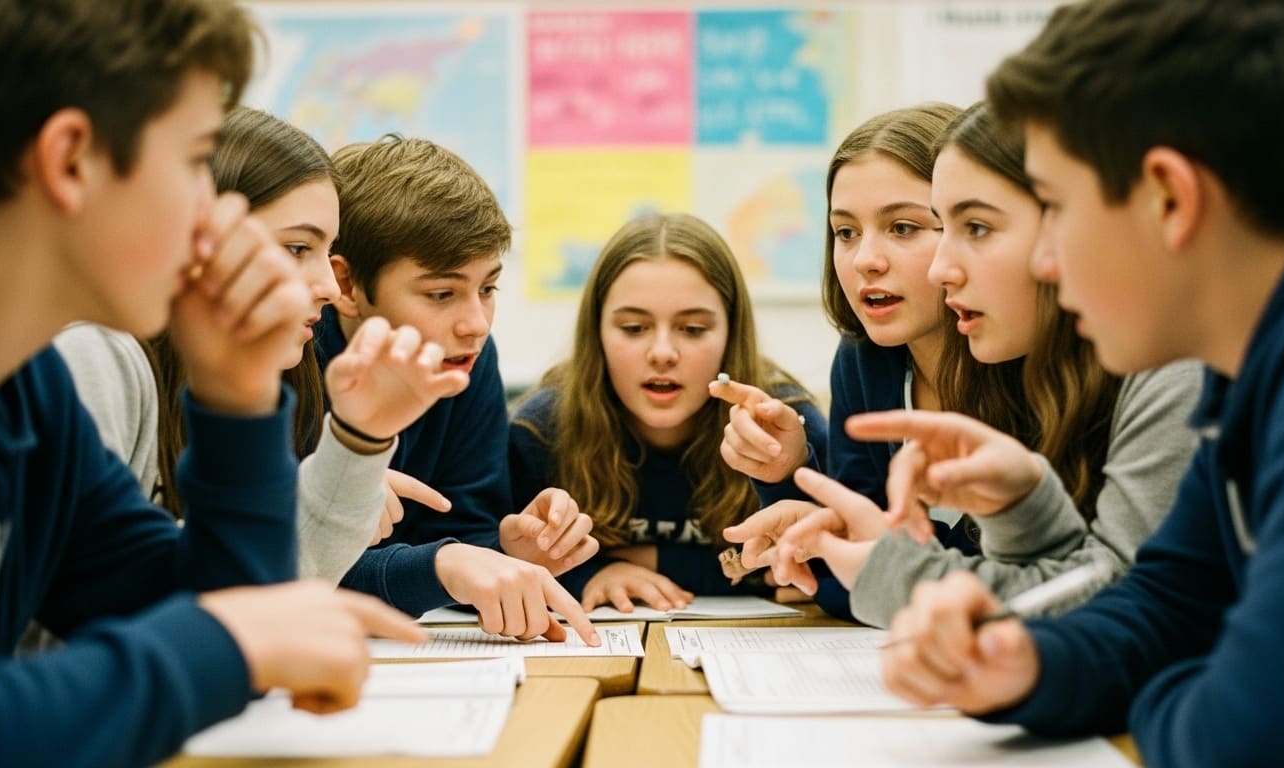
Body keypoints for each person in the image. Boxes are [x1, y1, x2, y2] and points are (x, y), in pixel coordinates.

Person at [867, 1, 1284, 765]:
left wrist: (1182, 682)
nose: (1045, 259)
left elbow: (1256, 736)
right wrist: (1026, 662)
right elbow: (1166, 606)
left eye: (1056, 207)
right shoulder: (1249, 368)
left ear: (1170, 198)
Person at [0, 1, 422, 765]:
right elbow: (221, 633)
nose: (213, 216)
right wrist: (227, 642)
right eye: (193, 162)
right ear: (71, 160)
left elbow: (205, 605)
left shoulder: (30, 390)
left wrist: (236, 397)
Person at [767, 102, 1204, 626]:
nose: (942, 268)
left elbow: (1122, 608)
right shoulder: (1041, 360)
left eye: (975, 228)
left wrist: (893, 572)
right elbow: (1066, 585)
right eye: (844, 233)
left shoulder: (1169, 371)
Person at [54, 106, 468, 584]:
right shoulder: (97, 356)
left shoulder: (265, 376)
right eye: (297, 249)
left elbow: (263, 585)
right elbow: (94, 596)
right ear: (200, 235)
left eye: (327, 252)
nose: (329, 288)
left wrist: (360, 440)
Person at [317, 134, 600, 644]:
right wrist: (441, 566)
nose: (476, 324)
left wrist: (507, 553)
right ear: (347, 286)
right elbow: (293, 567)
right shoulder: (286, 359)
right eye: (442, 293)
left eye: (488, 288)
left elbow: (456, 538)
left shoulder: (467, 358)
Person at [709, 104, 966, 619]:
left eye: (902, 227)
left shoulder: (1031, 365)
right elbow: (847, 578)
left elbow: (1036, 576)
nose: (865, 259)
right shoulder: (863, 360)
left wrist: (867, 563)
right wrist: (787, 470)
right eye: (845, 232)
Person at [509, 213, 826, 612]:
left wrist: (641, 559)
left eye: (692, 329)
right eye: (633, 328)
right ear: (597, 332)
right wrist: (589, 575)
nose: (662, 353)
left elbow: (820, 569)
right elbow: (488, 560)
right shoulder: (541, 429)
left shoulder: (787, 426)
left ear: (731, 333)